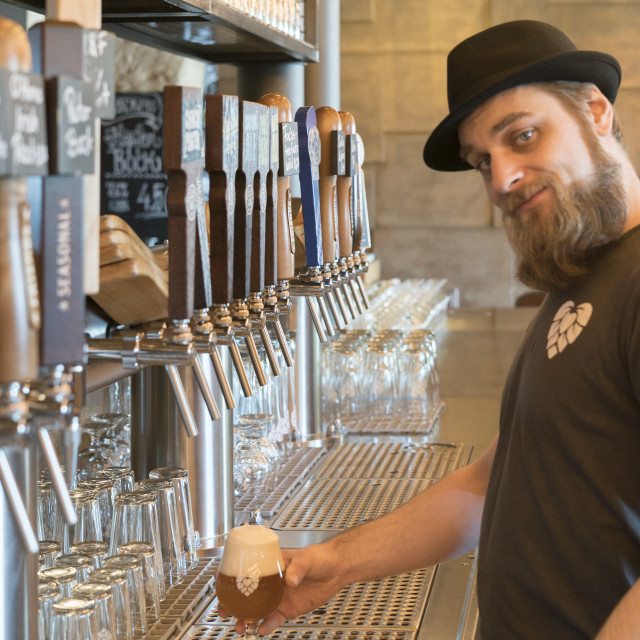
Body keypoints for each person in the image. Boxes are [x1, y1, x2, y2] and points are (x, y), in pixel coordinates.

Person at [220, 20, 640, 639]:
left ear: (596, 111)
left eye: (523, 136)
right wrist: (337, 563)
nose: (501, 180)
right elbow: (493, 479)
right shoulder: (582, 276)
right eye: (483, 161)